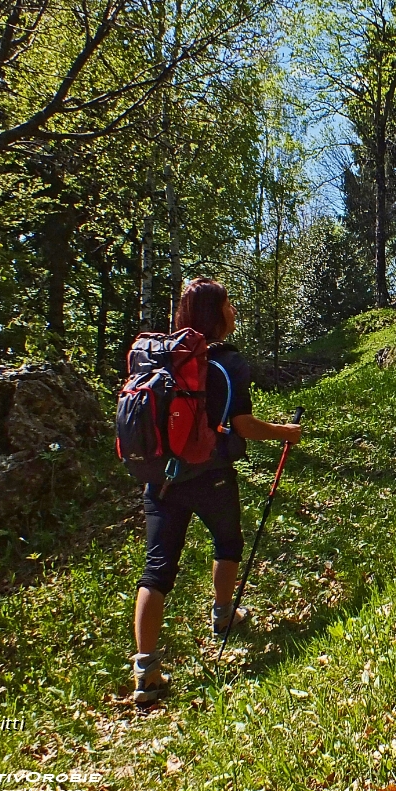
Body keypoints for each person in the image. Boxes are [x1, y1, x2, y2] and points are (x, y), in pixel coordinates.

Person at [131, 278, 302, 704]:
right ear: (215, 314)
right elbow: (241, 424)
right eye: (228, 305)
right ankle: (223, 616)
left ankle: (145, 669)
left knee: (157, 569)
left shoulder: (159, 356)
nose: (234, 312)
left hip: (160, 478)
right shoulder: (227, 362)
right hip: (211, 475)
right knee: (228, 540)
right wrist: (287, 432)